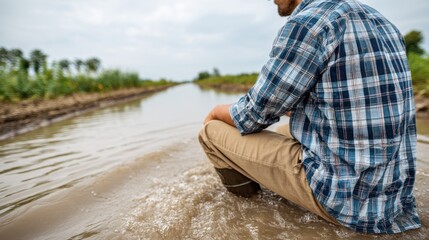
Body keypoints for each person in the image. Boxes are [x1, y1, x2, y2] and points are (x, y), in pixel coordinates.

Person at [198, 0, 421, 234]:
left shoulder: (308, 24)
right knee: (285, 130)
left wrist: (215, 111)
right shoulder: (381, 21)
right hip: (394, 200)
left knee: (211, 132)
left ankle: (248, 206)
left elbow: (252, 115)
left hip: (347, 201)